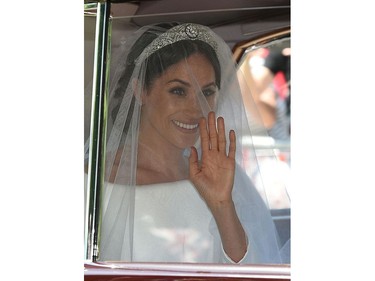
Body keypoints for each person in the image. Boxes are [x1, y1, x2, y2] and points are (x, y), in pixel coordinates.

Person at [94, 22, 289, 264]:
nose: (196, 108)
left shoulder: (224, 177)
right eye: (178, 91)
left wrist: (222, 205)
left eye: (207, 92)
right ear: (140, 90)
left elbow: (252, 271)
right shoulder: (93, 183)